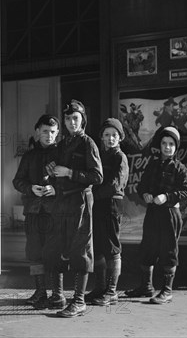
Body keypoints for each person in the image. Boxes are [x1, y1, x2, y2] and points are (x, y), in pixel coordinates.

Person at [44, 100, 103, 318]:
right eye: (67, 119)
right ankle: (58, 296)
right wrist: (51, 170)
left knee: (80, 250)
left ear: (82, 120)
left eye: (75, 118)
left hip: (80, 201)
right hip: (61, 201)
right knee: (56, 246)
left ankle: (79, 301)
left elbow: (97, 176)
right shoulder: (61, 145)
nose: (71, 122)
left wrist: (70, 173)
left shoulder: (88, 144)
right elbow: (54, 171)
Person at [125, 126, 187, 304]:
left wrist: (167, 197)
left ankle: (167, 290)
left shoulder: (180, 168)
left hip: (171, 213)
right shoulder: (152, 164)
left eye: (171, 144)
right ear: (160, 145)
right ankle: (146, 286)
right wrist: (145, 194)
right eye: (164, 143)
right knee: (148, 247)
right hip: (153, 212)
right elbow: (141, 186)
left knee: (169, 249)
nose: (167, 147)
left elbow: (186, 193)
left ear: (176, 147)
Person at [12, 114, 60, 309]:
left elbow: (71, 182)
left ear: (57, 134)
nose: (49, 135)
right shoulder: (29, 156)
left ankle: (57, 293)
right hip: (33, 211)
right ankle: (40, 290)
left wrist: (56, 188)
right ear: (37, 132)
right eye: (45, 131)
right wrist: (30, 188)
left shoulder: (62, 154)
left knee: (55, 252)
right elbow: (17, 181)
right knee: (34, 252)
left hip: (55, 212)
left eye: (53, 132)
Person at [85, 118, 129, 306]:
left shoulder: (120, 157)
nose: (110, 139)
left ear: (120, 137)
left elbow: (115, 184)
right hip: (99, 205)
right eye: (107, 135)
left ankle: (112, 291)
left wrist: (94, 192)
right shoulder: (100, 156)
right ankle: (100, 287)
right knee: (99, 246)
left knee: (111, 247)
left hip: (112, 204)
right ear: (101, 138)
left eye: (114, 135)